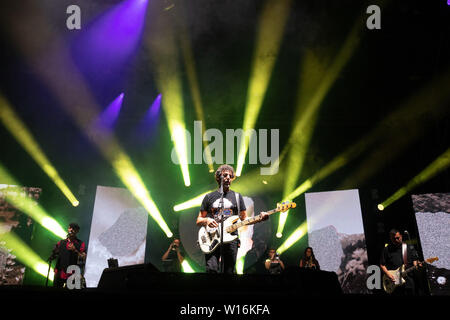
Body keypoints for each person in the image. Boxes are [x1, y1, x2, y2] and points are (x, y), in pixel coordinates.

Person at [196, 164, 268, 274]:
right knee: (211, 270)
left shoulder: (237, 197)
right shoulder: (209, 197)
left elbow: (245, 219)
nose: (228, 178)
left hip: (231, 240)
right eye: (225, 175)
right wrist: (207, 220)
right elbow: (199, 220)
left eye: (230, 176)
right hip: (212, 238)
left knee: (229, 272)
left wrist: (260, 218)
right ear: (218, 177)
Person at [380, 229, 422, 295]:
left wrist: (418, 265)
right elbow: (382, 265)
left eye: (397, 238)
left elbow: (415, 263)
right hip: (394, 282)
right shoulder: (387, 249)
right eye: (393, 239)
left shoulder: (409, 247)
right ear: (391, 239)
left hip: (409, 282)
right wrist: (388, 274)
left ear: (401, 236)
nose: (396, 240)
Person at [49, 223, 87, 288]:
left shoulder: (80, 244)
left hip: (72, 274)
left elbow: (84, 257)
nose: (71, 230)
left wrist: (75, 250)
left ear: (77, 231)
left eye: (74, 228)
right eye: (70, 228)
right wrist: (54, 252)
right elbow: (54, 255)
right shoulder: (61, 242)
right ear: (68, 229)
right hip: (60, 272)